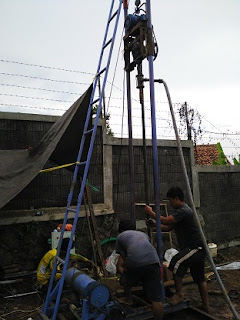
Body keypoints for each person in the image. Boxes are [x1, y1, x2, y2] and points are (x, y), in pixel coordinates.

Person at [145, 187, 210, 313]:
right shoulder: (180, 212)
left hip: (196, 247)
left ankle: (179, 294)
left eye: (170, 200)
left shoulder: (183, 210)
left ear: (176, 199)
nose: (170, 203)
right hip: (195, 248)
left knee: (176, 262)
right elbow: (168, 227)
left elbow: (166, 220)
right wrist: (154, 224)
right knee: (199, 278)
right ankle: (206, 306)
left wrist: (151, 212)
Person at [116, 219, 163, 320]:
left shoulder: (120, 237)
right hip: (154, 261)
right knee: (156, 298)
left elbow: (124, 256)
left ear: (120, 229)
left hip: (136, 262)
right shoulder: (143, 234)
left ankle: (128, 299)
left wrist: (129, 272)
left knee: (124, 279)